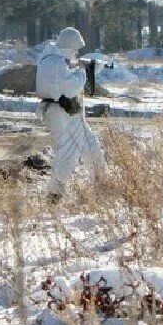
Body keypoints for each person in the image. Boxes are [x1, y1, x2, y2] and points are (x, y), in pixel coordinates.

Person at [35, 27, 108, 202]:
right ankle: (54, 194)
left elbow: (64, 81)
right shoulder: (55, 63)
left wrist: (85, 69)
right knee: (68, 152)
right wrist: (84, 71)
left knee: (92, 146)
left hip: (67, 112)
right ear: (68, 46)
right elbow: (71, 87)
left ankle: (102, 185)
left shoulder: (55, 61)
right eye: (75, 49)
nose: (76, 53)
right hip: (59, 113)